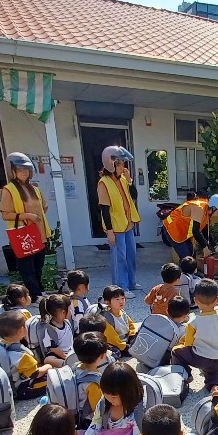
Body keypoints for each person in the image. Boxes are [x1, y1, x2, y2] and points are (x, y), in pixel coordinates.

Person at [0, 152, 51, 302]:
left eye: (26, 169)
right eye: (20, 169)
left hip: (39, 233)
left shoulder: (35, 189)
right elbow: (6, 214)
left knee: (38, 266)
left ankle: (39, 290)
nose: (24, 172)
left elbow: (44, 206)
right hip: (23, 234)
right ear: (13, 171)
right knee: (27, 268)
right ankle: (34, 295)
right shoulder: (8, 189)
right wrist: (27, 216)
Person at [171, 278, 218, 390]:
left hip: (200, 359)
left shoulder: (193, 322)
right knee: (213, 374)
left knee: (176, 351)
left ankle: (187, 375)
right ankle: (214, 386)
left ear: (195, 300)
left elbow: (188, 344)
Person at [96, 146, 140, 296]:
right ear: (111, 164)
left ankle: (131, 283)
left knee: (131, 255)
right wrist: (109, 232)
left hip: (128, 224)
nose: (123, 167)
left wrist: (130, 181)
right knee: (119, 258)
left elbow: (134, 196)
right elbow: (104, 209)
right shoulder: (104, 183)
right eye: (120, 164)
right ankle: (121, 288)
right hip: (115, 227)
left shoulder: (123, 179)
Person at [0, 311, 51, 400]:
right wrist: (48, 367)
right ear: (21, 330)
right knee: (51, 378)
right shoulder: (22, 354)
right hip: (20, 389)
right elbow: (35, 374)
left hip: (3, 386)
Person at [160, 193, 218, 262]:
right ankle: (183, 268)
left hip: (182, 232)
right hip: (172, 228)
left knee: (192, 256)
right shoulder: (199, 208)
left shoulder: (207, 212)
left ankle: (187, 268)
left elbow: (205, 230)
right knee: (187, 259)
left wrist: (215, 246)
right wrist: (205, 247)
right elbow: (195, 231)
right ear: (214, 208)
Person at [98, 286, 137, 354]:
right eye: (117, 299)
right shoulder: (107, 317)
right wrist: (124, 347)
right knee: (115, 352)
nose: (121, 301)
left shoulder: (122, 312)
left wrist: (132, 336)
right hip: (114, 343)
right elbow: (112, 338)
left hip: (125, 340)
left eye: (123, 298)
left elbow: (131, 325)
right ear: (107, 302)